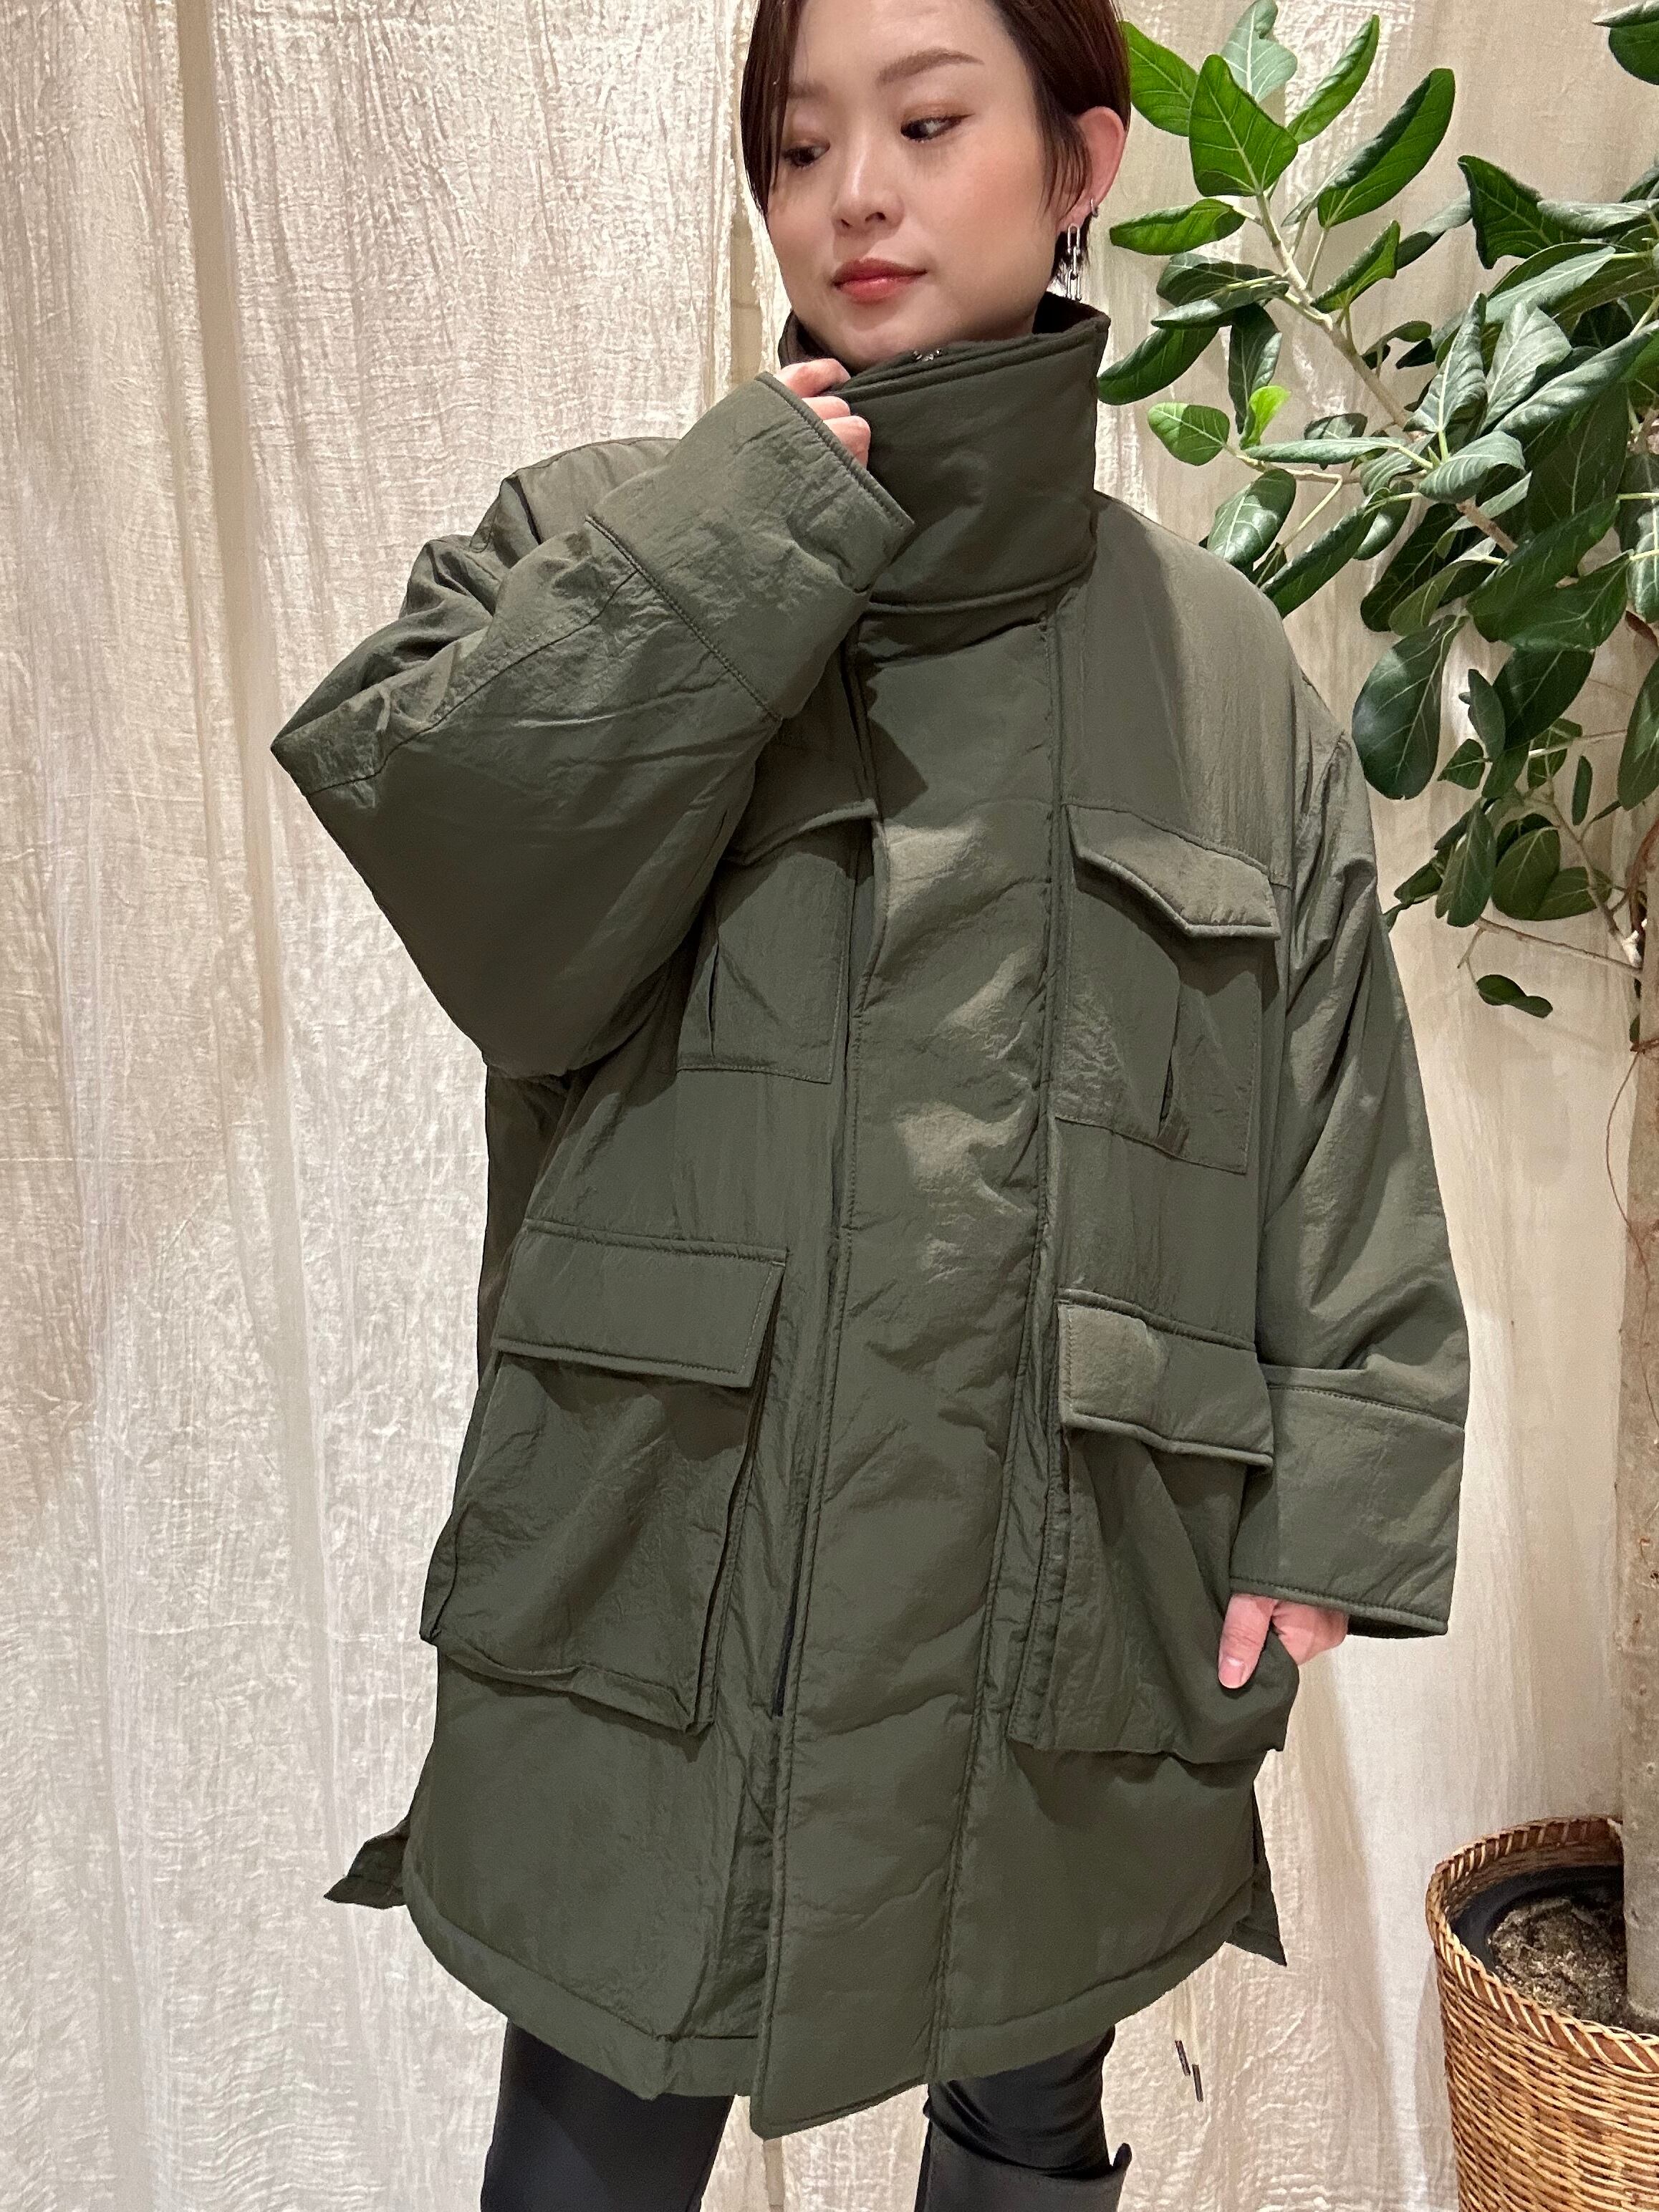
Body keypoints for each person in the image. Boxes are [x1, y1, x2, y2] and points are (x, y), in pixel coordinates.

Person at [268, 0, 1469, 2203]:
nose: (856, 192)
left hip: (1074, 1573)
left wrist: (1334, 1510)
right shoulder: (597, 534)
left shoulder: (1219, 668)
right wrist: (745, 529)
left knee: (1029, 2107)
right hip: (662, 1568)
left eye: (926, 120)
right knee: (592, 2126)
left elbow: (1336, 1119)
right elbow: (475, 887)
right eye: (799, 140)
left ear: (1080, 162)